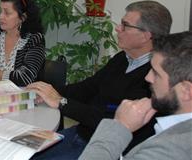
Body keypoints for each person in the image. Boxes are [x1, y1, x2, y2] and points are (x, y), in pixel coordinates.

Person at [27, 0, 172, 160]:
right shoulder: (121, 59)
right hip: (81, 133)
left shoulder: (156, 79)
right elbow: (88, 88)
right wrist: (46, 91)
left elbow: (112, 121)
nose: (117, 28)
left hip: (104, 148)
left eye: (125, 25)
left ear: (146, 36)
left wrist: (61, 102)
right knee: (23, 153)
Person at [79, 31, 192, 160]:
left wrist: (121, 125)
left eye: (156, 73)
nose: (147, 77)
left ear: (186, 91)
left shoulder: (171, 150)